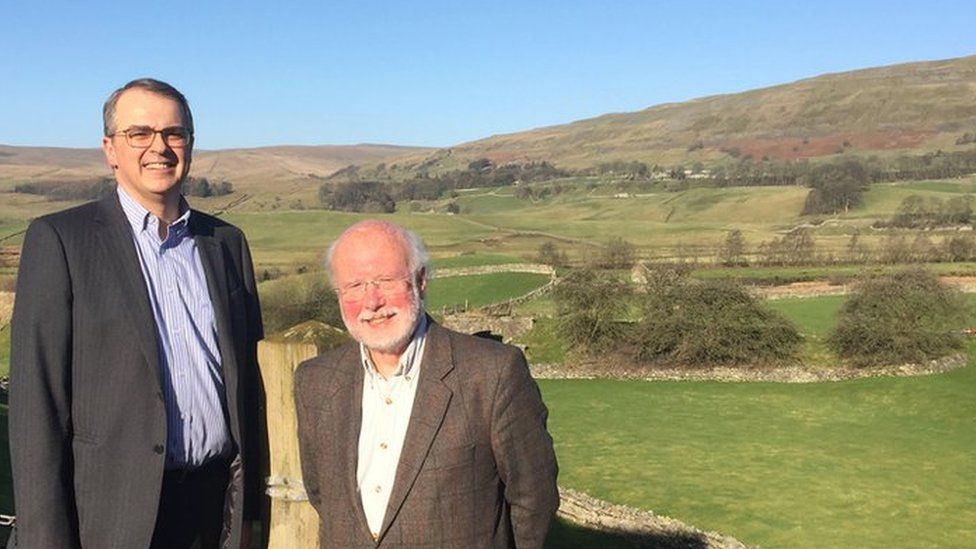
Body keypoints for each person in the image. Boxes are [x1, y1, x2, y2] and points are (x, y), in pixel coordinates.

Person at [8, 78, 266, 548]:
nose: (160, 148)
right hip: (111, 519)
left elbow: (250, 387)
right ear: (110, 149)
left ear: (190, 143)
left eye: (174, 133)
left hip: (215, 512)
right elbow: (36, 407)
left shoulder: (227, 244)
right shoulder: (62, 241)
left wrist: (252, 515)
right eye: (140, 134)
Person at [294, 220, 559, 548]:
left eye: (386, 281)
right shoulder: (315, 381)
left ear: (420, 281)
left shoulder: (492, 373)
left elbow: (535, 498)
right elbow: (322, 493)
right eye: (355, 286)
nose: (371, 301)